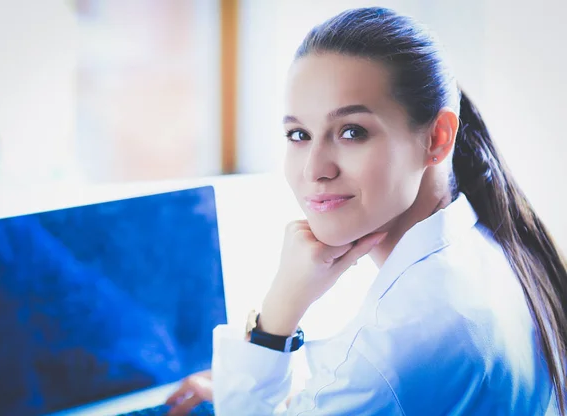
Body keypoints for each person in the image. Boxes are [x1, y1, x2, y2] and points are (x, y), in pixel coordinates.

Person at [166, 7, 567, 415]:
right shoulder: (484, 247)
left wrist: (278, 314)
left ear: (437, 138)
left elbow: (388, 378)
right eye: (298, 134)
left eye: (352, 132)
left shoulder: (395, 348)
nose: (315, 170)